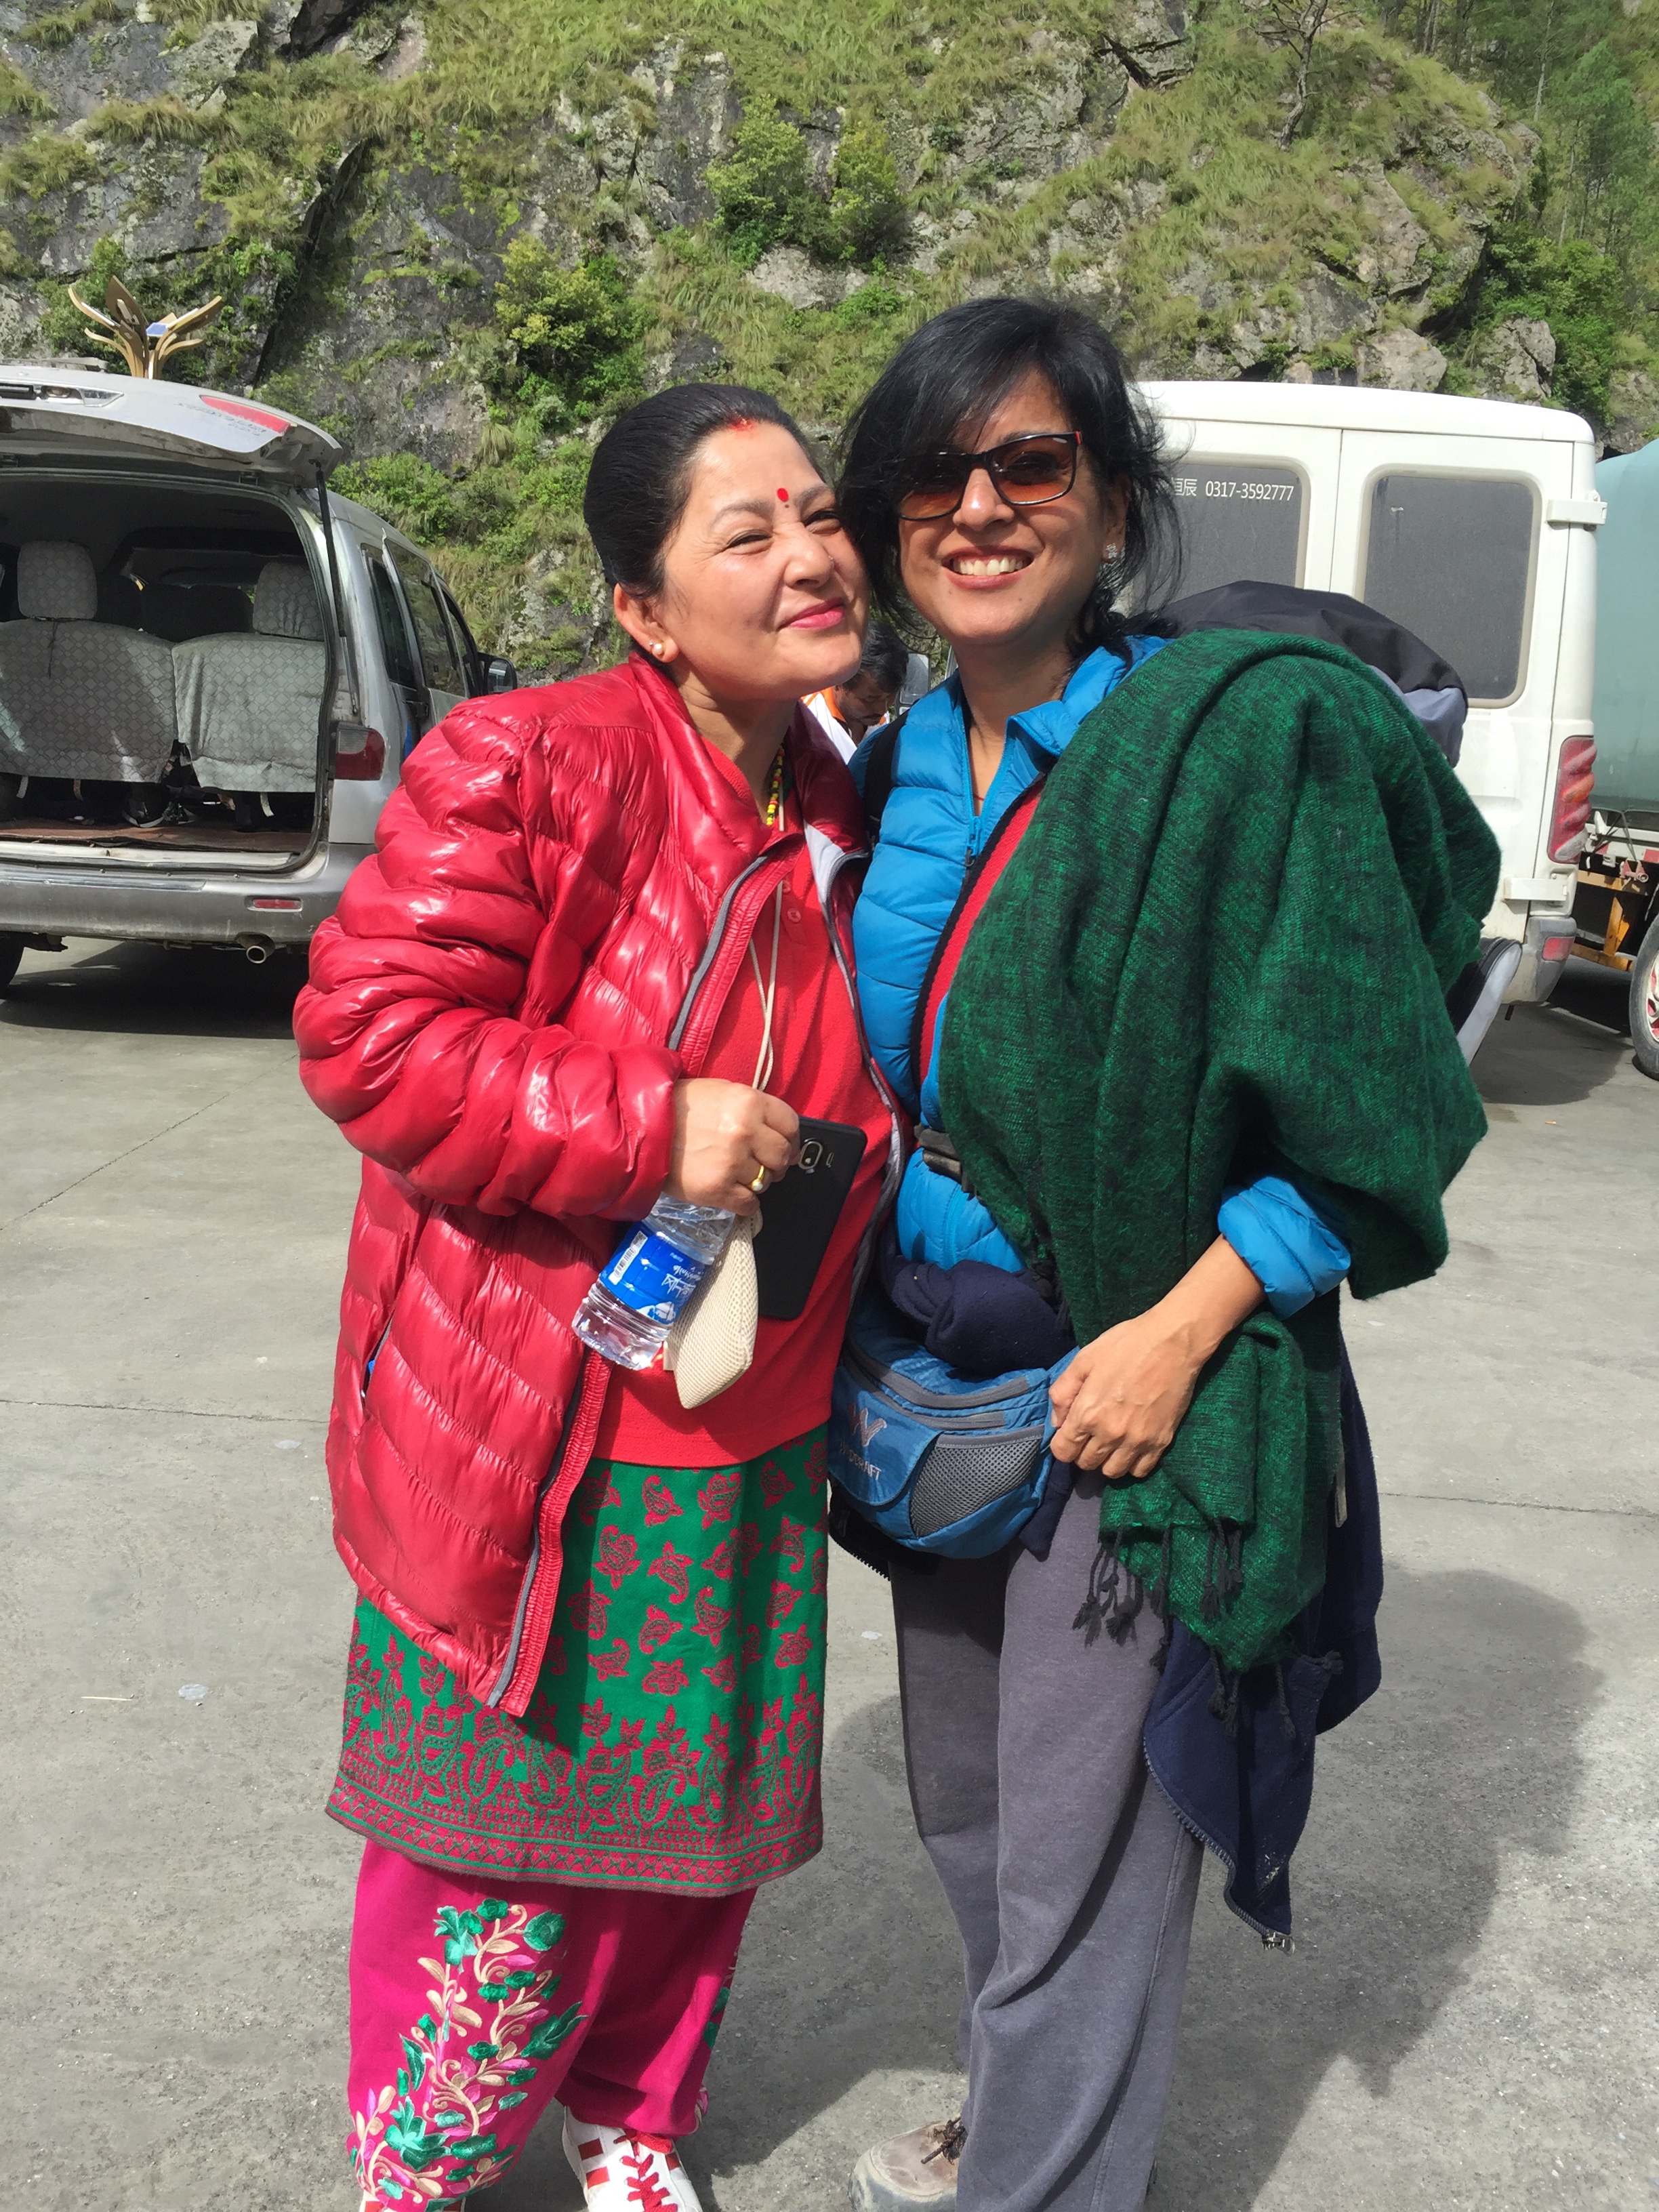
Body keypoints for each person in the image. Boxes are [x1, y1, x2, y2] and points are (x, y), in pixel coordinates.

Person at [832, 298, 1498, 2212]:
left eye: (1028, 463)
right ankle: (1024, 2111)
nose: (977, 505)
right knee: (973, 1819)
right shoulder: (886, 765)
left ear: (1113, 506)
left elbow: (1371, 1116)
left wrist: (1179, 1330)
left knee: (1083, 1861)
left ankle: (1041, 2183)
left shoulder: (1230, 747)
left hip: (1133, 1382)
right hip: (922, 1372)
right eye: (932, 473)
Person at [293, 382, 901, 2212]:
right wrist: (653, 1121)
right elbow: (370, 1036)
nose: (809, 556)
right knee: (501, 1836)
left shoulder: (844, 793)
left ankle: (628, 2112)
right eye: (747, 532)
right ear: (642, 606)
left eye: (818, 514)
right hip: (543, 1413)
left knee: (696, 1817)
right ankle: (427, 2159)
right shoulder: (529, 763)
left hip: (752, 1407)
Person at [804, 615, 910, 758]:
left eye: (891, 696)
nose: (882, 709)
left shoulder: (880, 721)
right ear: (838, 681)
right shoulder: (806, 718)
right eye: (870, 699)